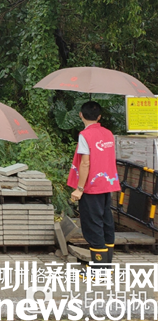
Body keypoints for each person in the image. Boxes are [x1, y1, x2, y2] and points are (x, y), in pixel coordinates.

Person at [68, 101, 119, 274]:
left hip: (92, 186)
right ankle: (106, 265)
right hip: (107, 183)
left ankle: (99, 269)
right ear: (99, 117)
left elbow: (85, 163)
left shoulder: (85, 135)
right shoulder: (108, 133)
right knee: (106, 222)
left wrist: (79, 189)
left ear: (81, 115)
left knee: (93, 224)